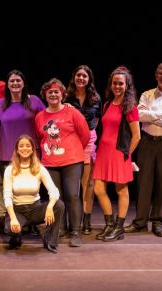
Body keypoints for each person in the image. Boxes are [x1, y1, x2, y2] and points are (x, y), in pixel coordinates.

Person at [124, 63, 162, 237]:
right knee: (144, 183)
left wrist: (153, 115)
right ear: (156, 75)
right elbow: (140, 115)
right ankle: (140, 222)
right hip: (147, 142)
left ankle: (157, 221)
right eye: (161, 73)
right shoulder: (146, 95)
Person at [35, 78, 90, 247]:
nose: (53, 94)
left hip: (72, 161)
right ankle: (60, 228)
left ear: (62, 94)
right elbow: (40, 137)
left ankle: (75, 231)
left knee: (72, 195)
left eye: (56, 91)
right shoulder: (39, 117)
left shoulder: (72, 112)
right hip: (50, 162)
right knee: (55, 197)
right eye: (50, 92)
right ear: (45, 95)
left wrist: (72, 150)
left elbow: (85, 135)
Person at [92, 67, 141, 242]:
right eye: (115, 83)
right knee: (98, 188)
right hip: (103, 153)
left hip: (119, 153)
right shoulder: (106, 104)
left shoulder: (130, 107)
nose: (117, 86)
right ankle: (109, 224)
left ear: (127, 85)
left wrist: (127, 154)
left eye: (121, 83)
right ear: (110, 85)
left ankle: (119, 228)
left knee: (121, 189)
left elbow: (137, 136)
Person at [0, 70, 46, 227]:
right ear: (7, 85)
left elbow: (48, 116)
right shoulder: (0, 104)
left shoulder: (34, 101)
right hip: (5, 152)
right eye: (12, 81)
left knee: (32, 188)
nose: (15, 84)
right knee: (11, 190)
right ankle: (14, 221)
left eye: (18, 81)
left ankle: (31, 222)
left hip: (30, 153)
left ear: (23, 83)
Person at [3, 135, 64, 253]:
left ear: (32, 149)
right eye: (21, 146)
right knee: (10, 229)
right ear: (17, 150)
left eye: (27, 146)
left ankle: (50, 240)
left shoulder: (39, 168)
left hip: (35, 209)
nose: (24, 148)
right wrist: (13, 219)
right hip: (18, 210)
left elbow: (54, 191)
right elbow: (7, 196)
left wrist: (50, 207)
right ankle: (16, 236)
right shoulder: (10, 170)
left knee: (59, 205)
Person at [65, 65, 102, 235]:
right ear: (74, 77)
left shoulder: (95, 98)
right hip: (70, 140)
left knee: (87, 183)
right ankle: (69, 220)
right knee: (70, 184)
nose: (81, 78)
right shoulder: (66, 97)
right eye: (78, 75)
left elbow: (97, 119)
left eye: (84, 76)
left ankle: (86, 219)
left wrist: (90, 135)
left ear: (89, 80)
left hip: (89, 141)